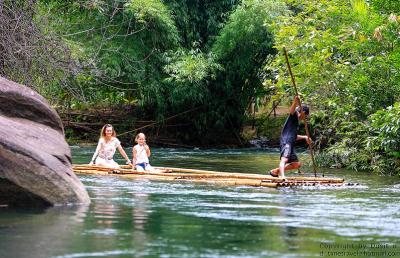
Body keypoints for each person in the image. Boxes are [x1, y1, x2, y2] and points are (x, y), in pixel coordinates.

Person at [269, 95, 311, 179]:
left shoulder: (296, 122)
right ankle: (283, 176)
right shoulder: (294, 115)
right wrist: (295, 101)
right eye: (305, 116)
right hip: (286, 142)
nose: (305, 118)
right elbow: (292, 110)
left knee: (296, 164)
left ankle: (275, 171)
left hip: (290, 143)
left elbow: (294, 136)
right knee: (284, 159)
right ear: (302, 113)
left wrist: (305, 137)